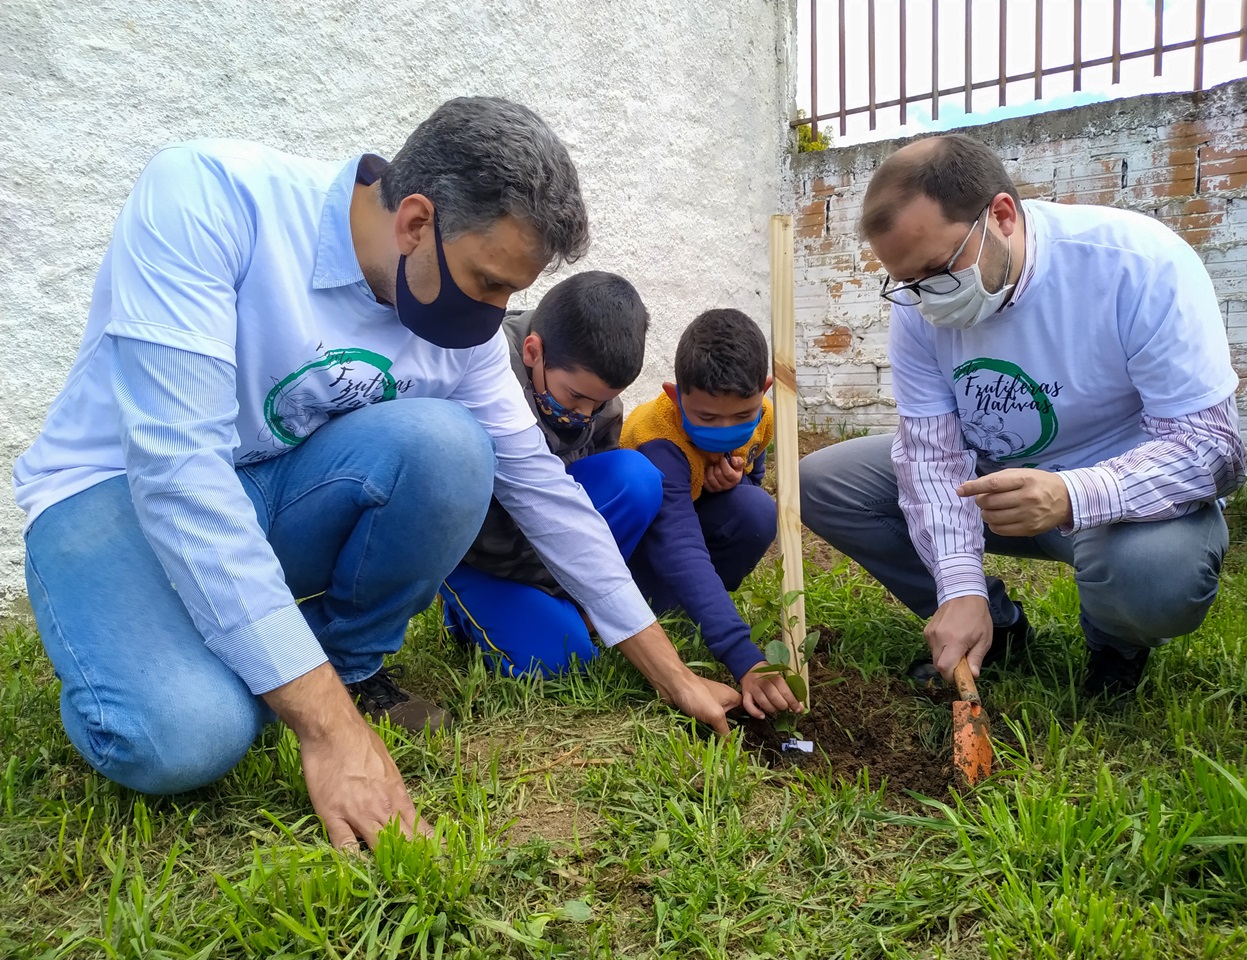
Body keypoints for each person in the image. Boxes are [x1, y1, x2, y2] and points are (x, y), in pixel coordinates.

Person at [13, 97, 741, 851]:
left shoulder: (460, 332)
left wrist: (672, 672)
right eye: (489, 283)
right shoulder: (210, 197)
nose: (497, 313)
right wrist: (331, 734)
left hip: (267, 489)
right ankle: (139, 660)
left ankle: (339, 665)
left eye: (510, 295)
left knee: (454, 446)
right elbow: (179, 474)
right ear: (416, 222)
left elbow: (543, 491)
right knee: (188, 738)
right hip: (114, 491)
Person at [799, 133, 1245, 697]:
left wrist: (1070, 494)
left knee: (1157, 575)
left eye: (937, 270)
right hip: (992, 486)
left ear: (1002, 216)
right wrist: (959, 586)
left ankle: (1115, 642)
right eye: (908, 282)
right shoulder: (920, 307)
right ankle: (990, 624)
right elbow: (930, 454)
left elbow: (1214, 449)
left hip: (1119, 506)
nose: (927, 298)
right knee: (822, 484)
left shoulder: (1138, 265)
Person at [440, 270, 664, 676]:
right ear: (532, 351)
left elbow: (581, 511)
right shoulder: (482, 365)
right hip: (481, 553)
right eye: (576, 396)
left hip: (548, 544)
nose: (585, 414)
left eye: (601, 401)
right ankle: (463, 607)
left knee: (637, 477)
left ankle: (567, 604)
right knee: (564, 660)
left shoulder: (595, 401)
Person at [623, 309, 804, 719]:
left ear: (764, 390)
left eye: (741, 415)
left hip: (683, 528)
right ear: (674, 396)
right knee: (685, 548)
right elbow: (677, 541)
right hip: (640, 547)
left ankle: (691, 611)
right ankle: (653, 612)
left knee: (755, 509)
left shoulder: (765, 419)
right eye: (706, 417)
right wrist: (742, 655)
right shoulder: (658, 438)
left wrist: (731, 483)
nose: (726, 428)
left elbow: (751, 485)